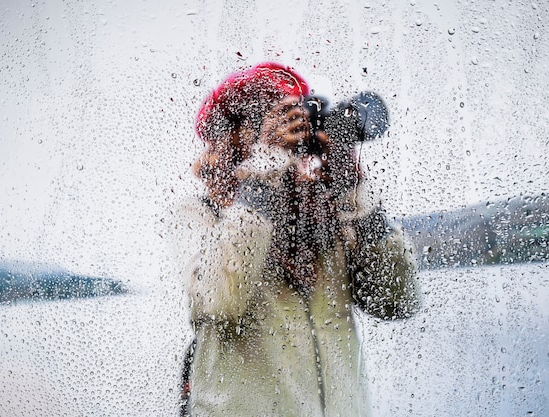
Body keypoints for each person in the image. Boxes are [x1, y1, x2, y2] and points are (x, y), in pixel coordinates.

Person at [169, 62, 420, 417]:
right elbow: (219, 302)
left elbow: (398, 302)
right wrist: (264, 170)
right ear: (230, 136)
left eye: (292, 115)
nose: (288, 134)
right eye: (266, 118)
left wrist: (353, 190)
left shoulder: (328, 214)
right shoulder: (200, 213)